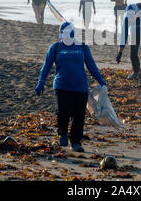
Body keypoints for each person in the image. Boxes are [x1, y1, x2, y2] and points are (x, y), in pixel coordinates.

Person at [35, 22, 107, 152]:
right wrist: (41, 82)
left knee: (79, 116)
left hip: (80, 87)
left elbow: (91, 65)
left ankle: (76, 142)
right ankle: (62, 133)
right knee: (63, 111)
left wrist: (101, 80)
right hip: (61, 86)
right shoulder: (55, 47)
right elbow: (46, 66)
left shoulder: (83, 47)